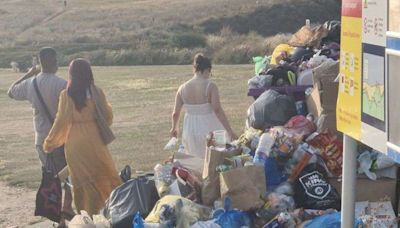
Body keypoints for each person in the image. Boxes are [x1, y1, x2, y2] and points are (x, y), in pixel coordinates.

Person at [43, 58, 122, 216]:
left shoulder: (67, 94)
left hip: (75, 145)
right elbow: (107, 116)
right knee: (104, 175)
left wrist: (49, 142)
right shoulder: (96, 92)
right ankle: (110, 211)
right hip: (95, 141)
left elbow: (61, 120)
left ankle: (87, 216)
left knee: (82, 183)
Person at [8, 47, 74, 227]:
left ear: (40, 62)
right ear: (52, 61)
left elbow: (11, 91)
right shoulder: (62, 84)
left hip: (42, 140)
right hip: (61, 138)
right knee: (68, 176)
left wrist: (28, 74)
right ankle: (66, 208)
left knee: (50, 179)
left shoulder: (31, 83)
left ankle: (59, 218)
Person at [170, 53, 238, 157]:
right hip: (211, 127)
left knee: (195, 157)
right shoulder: (210, 86)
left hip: (190, 129)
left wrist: (174, 128)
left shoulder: (182, 88)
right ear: (206, 70)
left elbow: (175, 113)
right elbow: (217, 109)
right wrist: (230, 131)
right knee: (217, 156)